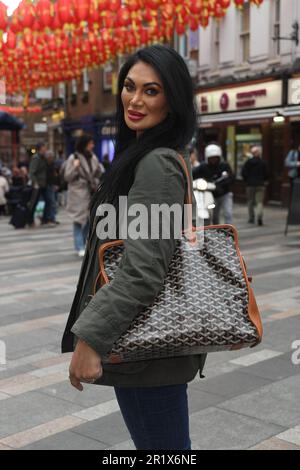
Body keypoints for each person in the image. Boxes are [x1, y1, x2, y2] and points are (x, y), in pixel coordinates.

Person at [61, 44, 206, 451]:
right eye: (129, 86)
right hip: (143, 346)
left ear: (172, 101)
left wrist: (89, 339)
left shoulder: (157, 165)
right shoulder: (140, 156)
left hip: (146, 351)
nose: (135, 99)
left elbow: (143, 270)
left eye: (152, 90)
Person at [64, 135, 102, 257]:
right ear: (85, 144)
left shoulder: (93, 157)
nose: (93, 145)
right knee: (78, 220)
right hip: (78, 193)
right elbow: (67, 177)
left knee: (88, 220)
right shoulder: (73, 158)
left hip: (91, 192)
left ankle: (85, 244)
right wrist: (75, 167)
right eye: (91, 143)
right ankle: (79, 246)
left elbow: (98, 172)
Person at [192, 143, 235, 225]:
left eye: (215, 157)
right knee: (214, 215)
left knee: (228, 212)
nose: (213, 160)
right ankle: (216, 230)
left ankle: (230, 231)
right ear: (207, 157)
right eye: (211, 158)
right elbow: (192, 174)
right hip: (211, 194)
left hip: (225, 193)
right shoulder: (203, 166)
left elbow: (231, 177)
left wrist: (222, 185)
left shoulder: (224, 165)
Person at [242, 146, 268, 226]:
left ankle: (251, 218)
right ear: (259, 153)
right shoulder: (263, 162)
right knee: (259, 202)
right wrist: (264, 180)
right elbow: (266, 173)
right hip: (260, 184)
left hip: (250, 185)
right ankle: (259, 217)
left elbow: (243, 173)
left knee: (250, 201)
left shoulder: (248, 162)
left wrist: (247, 180)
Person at [28, 142, 52, 227]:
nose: (46, 149)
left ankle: (45, 219)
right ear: (40, 148)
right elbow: (31, 172)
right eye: (44, 147)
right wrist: (35, 183)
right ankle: (30, 220)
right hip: (37, 184)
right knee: (34, 203)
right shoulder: (36, 158)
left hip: (44, 183)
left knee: (49, 200)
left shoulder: (43, 158)